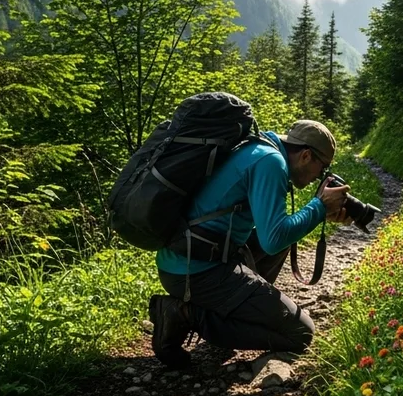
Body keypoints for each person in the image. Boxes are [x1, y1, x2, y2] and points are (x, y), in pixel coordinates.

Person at [149, 120, 352, 368]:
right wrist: (319, 207)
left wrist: (320, 213)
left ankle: (237, 309)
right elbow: (273, 239)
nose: (318, 179)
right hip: (196, 271)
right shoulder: (271, 163)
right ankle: (183, 314)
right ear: (306, 155)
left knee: (284, 241)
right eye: (321, 170)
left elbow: (273, 233)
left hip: (186, 257)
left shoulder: (258, 148)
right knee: (301, 333)